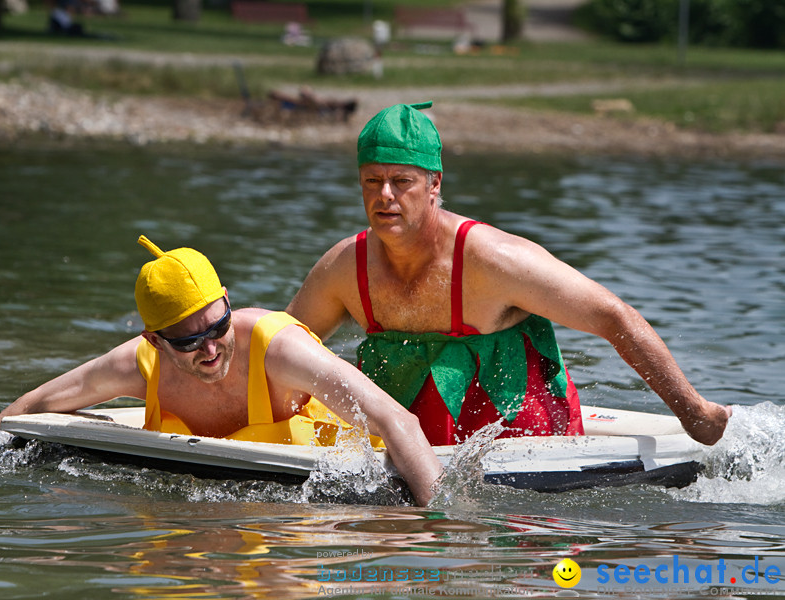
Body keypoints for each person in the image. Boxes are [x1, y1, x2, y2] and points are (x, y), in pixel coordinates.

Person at [286, 101, 731, 447]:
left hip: (521, 442)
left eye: (401, 182)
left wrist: (694, 413)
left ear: (434, 184)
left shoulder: (493, 260)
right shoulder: (346, 267)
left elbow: (613, 317)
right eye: (371, 181)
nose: (385, 196)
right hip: (401, 443)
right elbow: (282, 347)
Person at [0, 236, 443, 506]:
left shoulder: (277, 349)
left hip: (327, 506)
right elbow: (35, 405)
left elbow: (396, 420)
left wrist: (440, 528)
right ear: (155, 341)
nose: (211, 349)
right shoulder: (143, 366)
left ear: (226, 299)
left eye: (218, 326)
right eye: (187, 341)